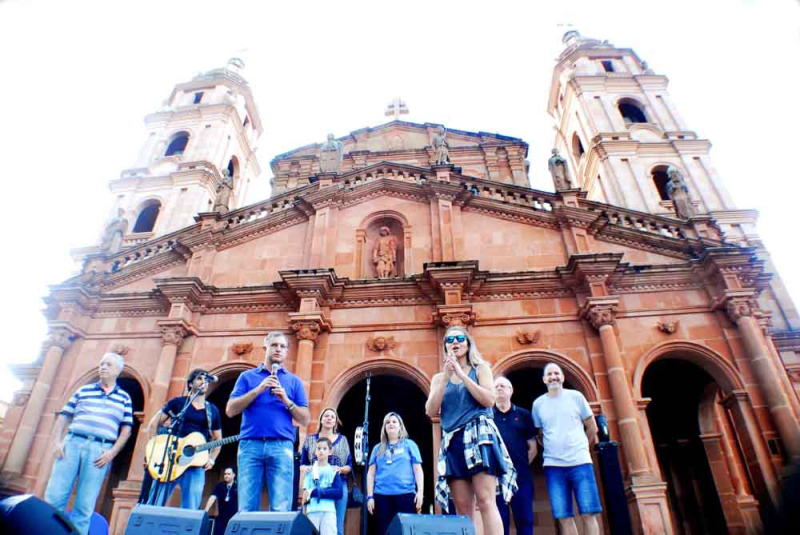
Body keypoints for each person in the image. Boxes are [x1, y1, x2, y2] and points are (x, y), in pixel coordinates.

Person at [425, 327, 516, 535]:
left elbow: (489, 400)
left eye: (459, 338)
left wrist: (461, 375)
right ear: (445, 345)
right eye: (450, 339)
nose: (455, 342)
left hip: (478, 435)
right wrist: (447, 377)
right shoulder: (439, 378)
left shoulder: (480, 369)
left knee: (485, 501)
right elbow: (431, 411)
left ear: (468, 344)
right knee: (462, 508)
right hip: (453, 439)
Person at [44, 352, 133, 535]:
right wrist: (56, 443)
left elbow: (127, 430)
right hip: (73, 443)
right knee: (54, 498)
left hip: (101, 450)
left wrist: (112, 453)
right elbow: (63, 417)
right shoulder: (83, 390)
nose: (103, 367)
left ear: (118, 370)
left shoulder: (124, 398)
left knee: (85, 506)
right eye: (101, 363)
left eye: (108, 364)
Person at [227, 331, 310, 512]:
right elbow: (231, 410)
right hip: (250, 445)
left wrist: (286, 400)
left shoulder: (294, 381)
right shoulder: (247, 377)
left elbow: (305, 419)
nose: (278, 349)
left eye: (282, 346)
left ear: (287, 352)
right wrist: (258, 389)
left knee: (281, 506)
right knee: (246, 506)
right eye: (274, 345)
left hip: (281, 446)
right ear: (265, 348)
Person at [532, 363, 601, 535]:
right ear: (543, 379)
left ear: (562, 377)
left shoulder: (576, 397)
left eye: (556, 373)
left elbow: (592, 426)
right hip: (553, 466)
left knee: (589, 513)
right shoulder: (538, 404)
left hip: (581, 463)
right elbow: (539, 434)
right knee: (563, 516)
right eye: (549, 374)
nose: (553, 377)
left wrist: (583, 446)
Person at [146, 368, 223, 509]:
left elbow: (218, 439)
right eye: (200, 378)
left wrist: (212, 458)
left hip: (196, 462)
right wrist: (153, 453)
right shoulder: (178, 403)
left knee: (191, 506)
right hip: (171, 459)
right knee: (155, 502)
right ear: (190, 384)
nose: (203, 381)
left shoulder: (212, 410)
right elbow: (153, 425)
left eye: (206, 379)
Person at [366, 412, 424, 535]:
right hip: (381, 496)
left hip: (406, 495)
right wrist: (370, 497)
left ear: (400, 426)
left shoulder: (410, 445)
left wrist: (420, 493)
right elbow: (370, 474)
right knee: (383, 531)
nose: (391, 424)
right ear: (384, 427)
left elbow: (418, 470)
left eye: (394, 422)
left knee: (405, 532)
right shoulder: (377, 448)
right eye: (387, 422)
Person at [493, 376, 537, 535]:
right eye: (496, 386)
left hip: (521, 478)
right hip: (497, 478)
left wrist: (519, 467)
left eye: (503, 386)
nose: (499, 388)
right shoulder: (488, 416)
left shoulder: (523, 415)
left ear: (511, 391)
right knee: (499, 522)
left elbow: (533, 448)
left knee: (525, 521)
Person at [301, 407, 352, 535]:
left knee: (337, 524)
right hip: (314, 485)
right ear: (321, 420)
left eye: (332, 417)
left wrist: (340, 469)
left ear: (336, 422)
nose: (329, 418)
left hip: (338, 485)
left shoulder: (343, 440)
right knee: (312, 525)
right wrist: (306, 468)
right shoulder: (310, 439)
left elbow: (349, 466)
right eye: (326, 416)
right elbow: (302, 464)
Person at [303, 437, 345, 535]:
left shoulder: (333, 471)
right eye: (319, 448)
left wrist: (314, 492)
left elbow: (338, 493)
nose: (321, 451)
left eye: (324, 449)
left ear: (330, 452)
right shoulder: (309, 471)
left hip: (328, 510)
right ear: (315, 451)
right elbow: (305, 494)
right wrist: (304, 512)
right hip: (312, 511)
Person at [205, 467, 239, 535]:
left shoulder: (238, 486)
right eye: (225, 474)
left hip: (234, 518)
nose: (226, 476)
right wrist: (205, 511)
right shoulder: (220, 485)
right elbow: (213, 497)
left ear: (234, 475)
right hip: (221, 518)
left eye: (228, 474)